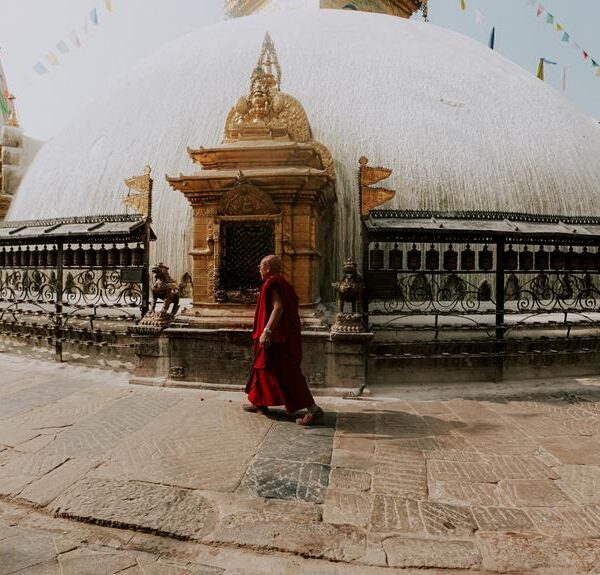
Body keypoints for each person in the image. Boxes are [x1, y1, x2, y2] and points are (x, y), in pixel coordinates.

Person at [243, 254, 323, 425]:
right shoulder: (284, 283)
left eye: (260, 266)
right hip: (280, 335)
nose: (259, 270)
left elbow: (278, 308)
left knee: (287, 373)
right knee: (262, 367)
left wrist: (267, 330)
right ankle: (260, 403)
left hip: (277, 337)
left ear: (267, 268)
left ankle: (313, 409)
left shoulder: (273, 283)